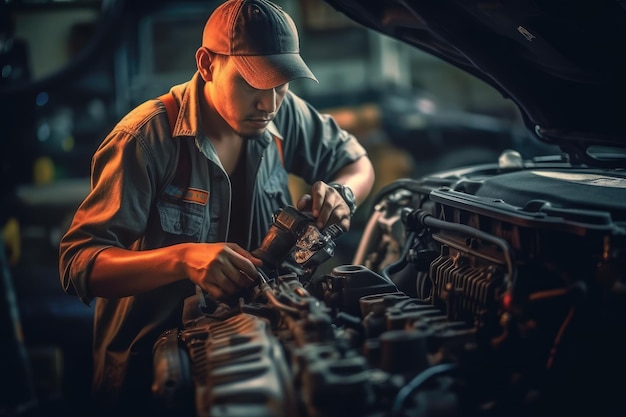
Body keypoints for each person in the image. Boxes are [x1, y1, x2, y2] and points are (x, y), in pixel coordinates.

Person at [58, 0, 375, 415]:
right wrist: (182, 259)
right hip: (152, 380)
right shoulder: (144, 139)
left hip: (254, 359)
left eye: (282, 84)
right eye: (253, 83)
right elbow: (78, 263)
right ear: (207, 64)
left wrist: (342, 193)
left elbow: (358, 164)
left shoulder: (284, 115)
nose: (271, 104)